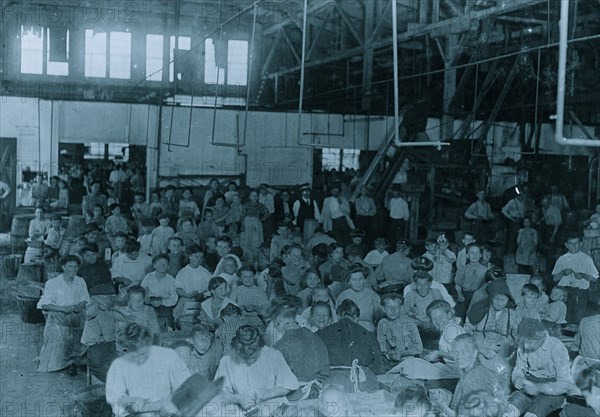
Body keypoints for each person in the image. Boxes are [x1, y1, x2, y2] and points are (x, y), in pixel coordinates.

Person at [105, 323, 190, 417]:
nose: (138, 359)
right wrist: (128, 401)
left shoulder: (168, 356)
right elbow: (115, 399)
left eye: (142, 353)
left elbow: (186, 388)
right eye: (132, 355)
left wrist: (169, 403)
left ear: (148, 343)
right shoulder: (118, 365)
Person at [214, 325, 300, 416]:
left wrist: (268, 393)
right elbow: (220, 393)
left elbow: (290, 385)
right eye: (245, 357)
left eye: (254, 357)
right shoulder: (227, 361)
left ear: (260, 347)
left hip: (274, 406)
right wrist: (238, 398)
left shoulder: (273, 355)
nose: (250, 361)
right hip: (244, 410)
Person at [506, 318, 572, 417]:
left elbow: (565, 384)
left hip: (552, 389)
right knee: (510, 409)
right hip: (529, 385)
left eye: (529, 342)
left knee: (534, 412)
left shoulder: (556, 347)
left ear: (541, 337)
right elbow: (518, 369)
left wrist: (538, 388)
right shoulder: (523, 344)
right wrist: (517, 378)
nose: (525, 346)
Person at [37, 255, 90, 373]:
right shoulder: (53, 283)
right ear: (63, 267)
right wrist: (63, 309)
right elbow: (44, 305)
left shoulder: (80, 281)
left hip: (76, 315)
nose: (74, 270)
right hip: (58, 316)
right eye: (70, 266)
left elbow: (86, 299)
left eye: (76, 267)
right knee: (59, 333)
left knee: (89, 323)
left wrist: (78, 306)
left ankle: (75, 359)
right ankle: (63, 360)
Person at [317, 299, 384, 391]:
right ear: (356, 319)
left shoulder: (321, 333)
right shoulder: (368, 334)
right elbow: (378, 367)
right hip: (361, 382)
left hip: (331, 384)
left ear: (337, 316)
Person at [272, 306, 330, 399]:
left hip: (294, 394)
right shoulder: (314, 336)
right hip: (316, 390)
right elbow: (325, 367)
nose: (275, 327)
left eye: (275, 324)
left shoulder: (279, 346)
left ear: (281, 323)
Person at [446, 334, 509, 416]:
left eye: (463, 352)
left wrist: (442, 406)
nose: (458, 356)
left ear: (475, 353)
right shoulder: (476, 372)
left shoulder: (473, 380)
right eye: (456, 352)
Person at [552, 234, 598, 323]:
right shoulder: (562, 259)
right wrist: (563, 272)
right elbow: (555, 279)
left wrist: (583, 275)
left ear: (581, 244)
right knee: (564, 316)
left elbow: (594, 278)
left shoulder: (586, 259)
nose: (573, 246)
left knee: (578, 316)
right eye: (570, 243)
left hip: (580, 292)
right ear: (566, 245)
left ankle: (575, 334)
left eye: (576, 243)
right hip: (564, 291)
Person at [81, 284, 117, 383]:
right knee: (98, 365)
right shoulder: (92, 309)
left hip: (110, 344)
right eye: (101, 298)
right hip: (96, 345)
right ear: (94, 299)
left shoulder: (110, 309)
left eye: (108, 298)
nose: (106, 301)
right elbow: (89, 313)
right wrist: (94, 303)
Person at [377, 293, 423, 365]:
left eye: (396, 307)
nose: (393, 310)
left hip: (409, 360)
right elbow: (381, 345)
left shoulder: (409, 323)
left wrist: (402, 353)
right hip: (389, 360)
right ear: (383, 309)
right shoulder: (382, 323)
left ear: (401, 308)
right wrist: (388, 349)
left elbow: (419, 348)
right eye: (389, 307)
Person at [335, 265, 382, 331]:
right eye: (354, 280)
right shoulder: (342, 296)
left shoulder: (373, 295)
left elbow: (379, 318)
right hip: (348, 330)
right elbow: (338, 318)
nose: (358, 282)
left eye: (360, 279)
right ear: (349, 281)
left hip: (368, 331)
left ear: (365, 280)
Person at [455, 243, 488, 319]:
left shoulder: (485, 270)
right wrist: (460, 295)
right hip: (465, 295)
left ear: (480, 255)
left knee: (476, 315)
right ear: (467, 255)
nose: (474, 255)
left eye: (477, 253)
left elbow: (486, 284)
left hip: (479, 295)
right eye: (472, 253)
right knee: (461, 315)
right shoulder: (463, 269)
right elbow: (458, 284)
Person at [240, 190, 270, 265]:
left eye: (256, 196)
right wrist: (242, 225)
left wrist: (261, 219)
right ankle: (248, 259)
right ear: (250, 197)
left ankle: (256, 259)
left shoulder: (260, 205)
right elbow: (242, 216)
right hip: (247, 222)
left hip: (256, 223)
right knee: (247, 240)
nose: (254, 197)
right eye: (252, 195)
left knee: (256, 240)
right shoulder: (246, 205)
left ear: (258, 197)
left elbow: (267, 213)